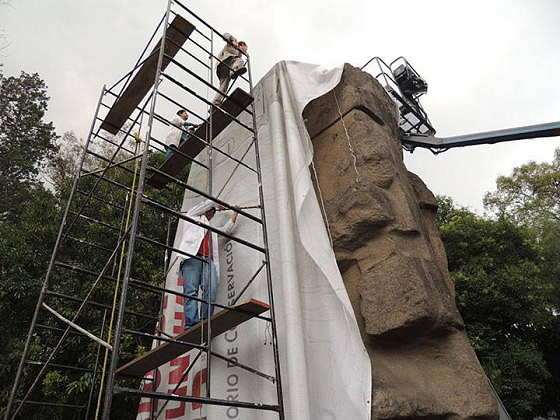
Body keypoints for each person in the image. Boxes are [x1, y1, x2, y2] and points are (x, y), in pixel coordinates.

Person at [178, 200, 239, 329]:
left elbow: (226, 230)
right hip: (192, 257)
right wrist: (218, 205)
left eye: (213, 212)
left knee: (211, 287)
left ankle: (205, 320)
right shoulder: (192, 216)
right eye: (211, 210)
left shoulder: (211, 229)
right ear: (205, 210)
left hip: (208, 260)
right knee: (191, 290)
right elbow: (207, 202)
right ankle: (191, 323)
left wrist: (235, 214)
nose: (212, 214)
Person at [212, 33, 248, 106]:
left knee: (224, 86)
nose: (245, 51)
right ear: (242, 45)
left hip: (224, 69)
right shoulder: (233, 45)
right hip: (225, 62)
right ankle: (233, 71)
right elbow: (225, 35)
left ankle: (215, 103)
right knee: (240, 61)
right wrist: (233, 40)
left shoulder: (239, 55)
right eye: (245, 49)